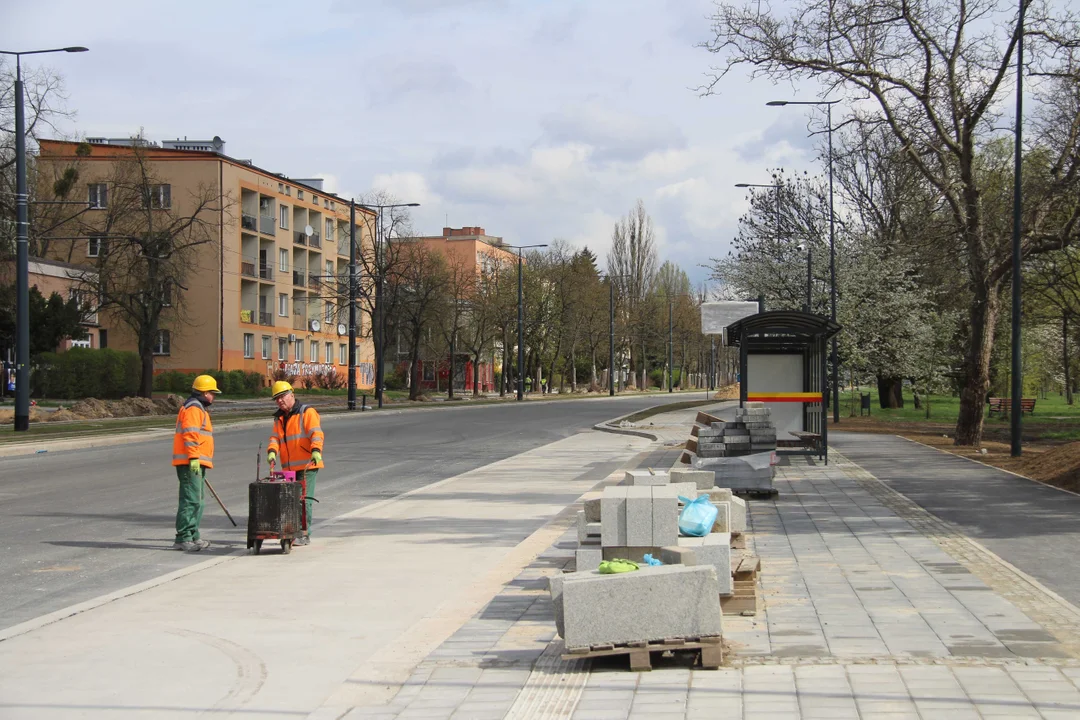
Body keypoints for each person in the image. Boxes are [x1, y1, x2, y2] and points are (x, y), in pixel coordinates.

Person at [266, 381, 323, 545]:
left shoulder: (307, 412)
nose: (280, 401)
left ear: (292, 394)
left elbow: (316, 434)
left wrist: (316, 451)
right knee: (290, 501)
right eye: (276, 399)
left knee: (303, 501)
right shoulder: (279, 418)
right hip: (289, 468)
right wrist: (271, 451)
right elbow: (275, 438)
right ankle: (292, 531)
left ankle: (304, 533)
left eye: (282, 396)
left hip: (307, 465)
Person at [171, 374, 220, 551]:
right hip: (190, 461)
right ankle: (183, 537)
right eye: (212, 393)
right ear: (205, 392)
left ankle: (193, 535)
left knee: (198, 500)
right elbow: (190, 434)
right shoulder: (194, 408)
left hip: (197, 462)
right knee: (190, 500)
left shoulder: (198, 408)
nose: (214, 396)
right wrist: (193, 457)